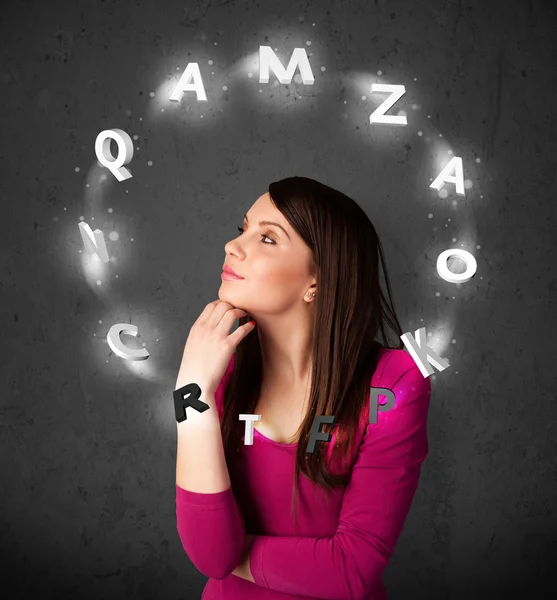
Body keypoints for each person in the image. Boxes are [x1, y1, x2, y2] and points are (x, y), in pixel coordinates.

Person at [174, 176, 431, 599]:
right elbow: (209, 558)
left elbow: (350, 571)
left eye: (268, 239)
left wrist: (234, 551)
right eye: (244, 230)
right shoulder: (215, 373)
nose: (232, 246)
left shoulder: (393, 385)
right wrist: (190, 392)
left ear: (317, 279)